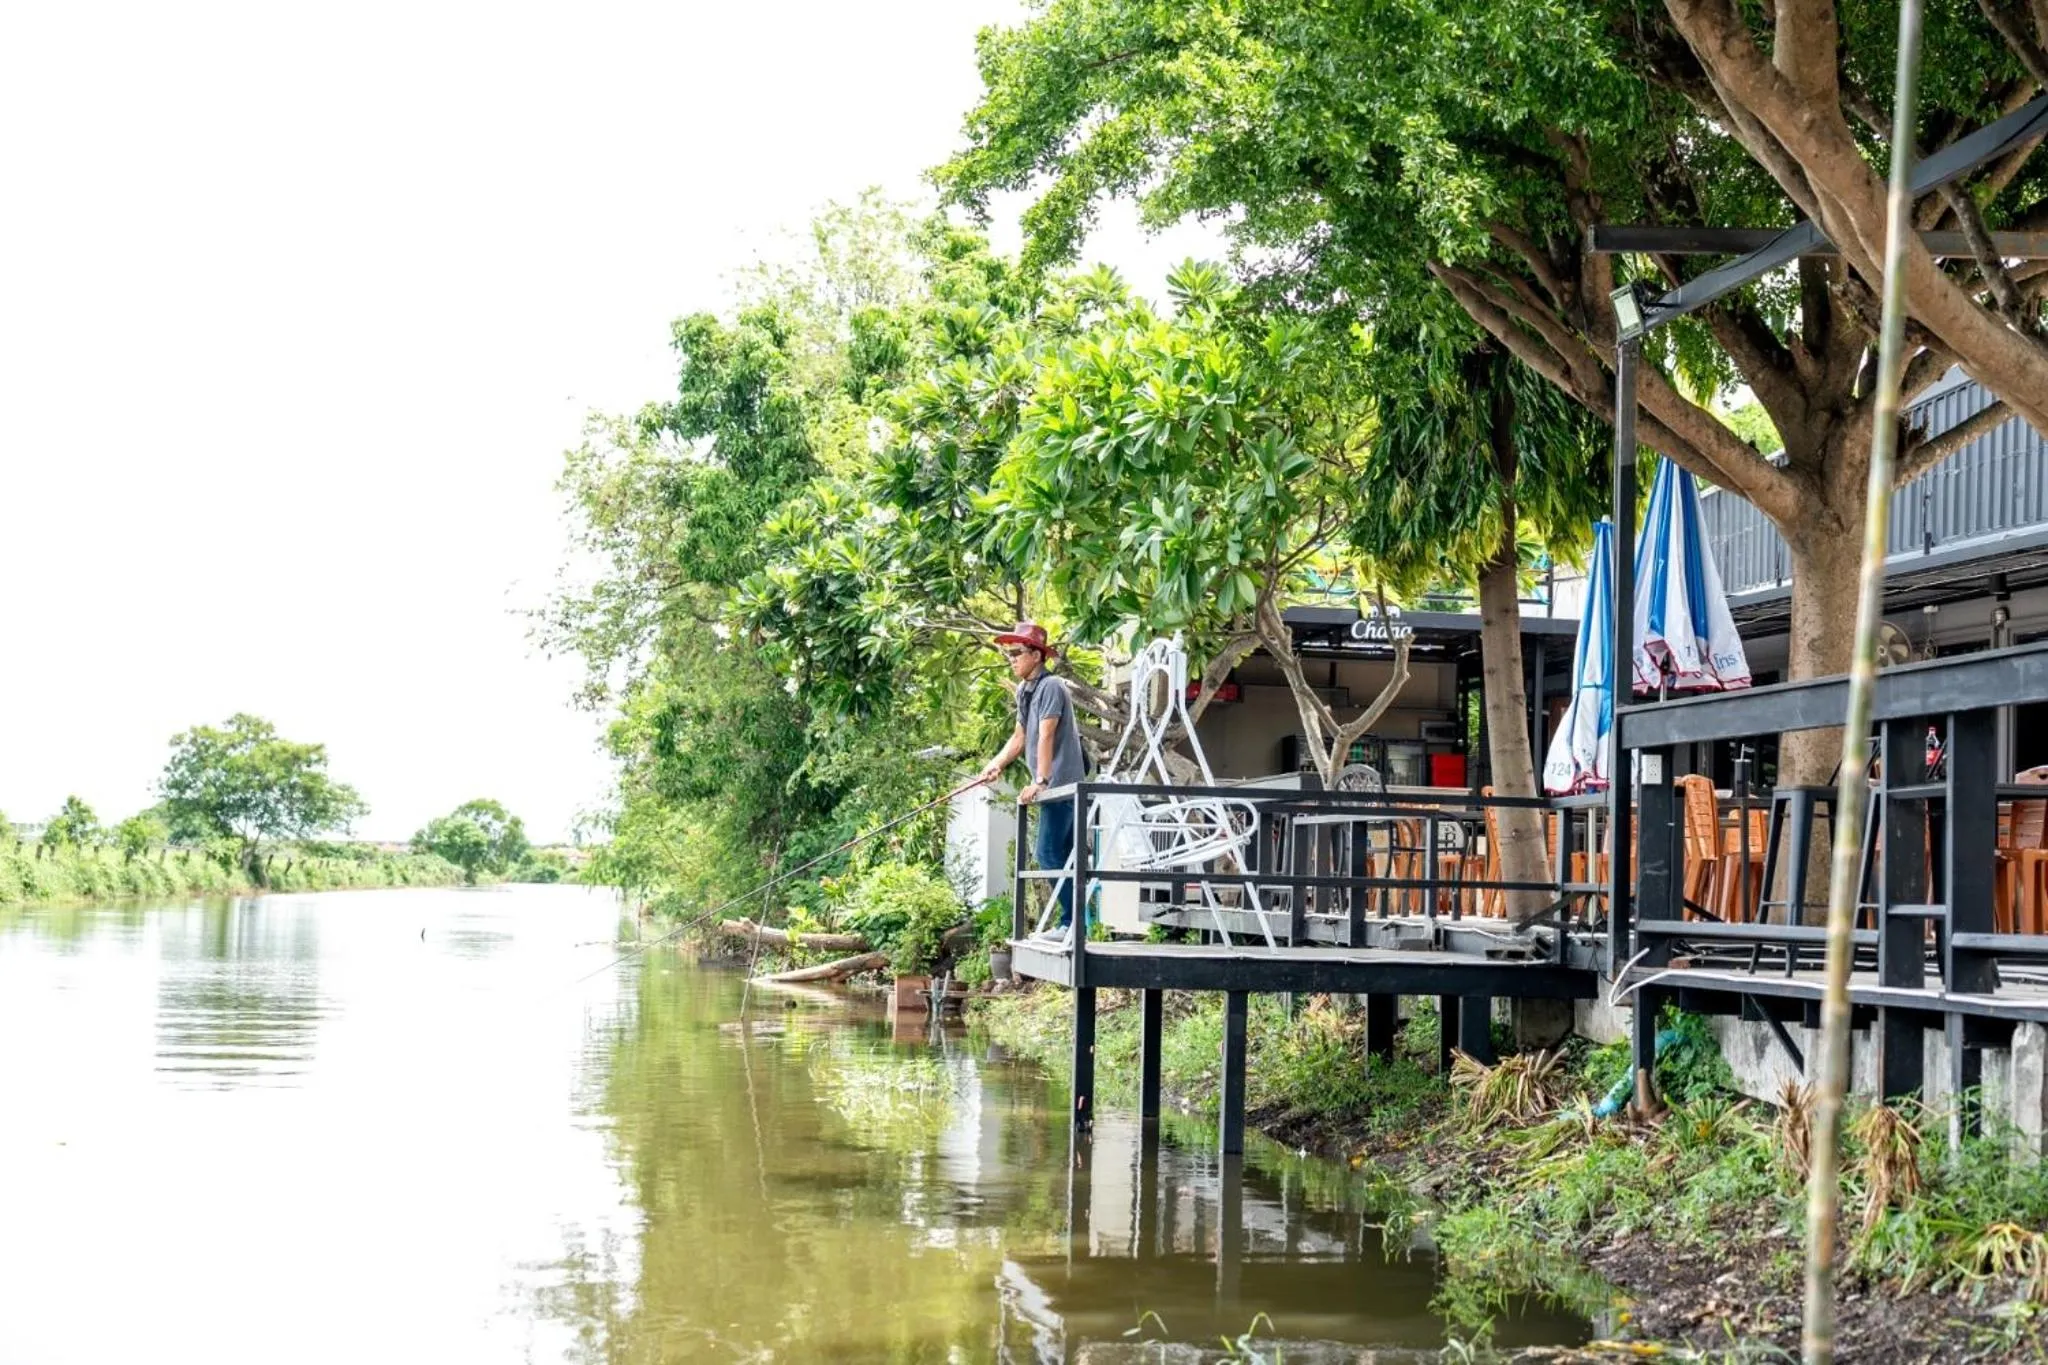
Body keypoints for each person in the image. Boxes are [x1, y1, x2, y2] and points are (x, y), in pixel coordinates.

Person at [976, 622, 1086, 928]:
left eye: (1017, 652)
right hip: (1051, 786)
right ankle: (1075, 924)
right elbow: (1020, 736)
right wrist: (995, 763)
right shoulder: (1026, 690)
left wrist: (1040, 780)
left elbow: (1047, 734)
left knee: (1048, 853)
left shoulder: (1052, 686)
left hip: (1062, 784)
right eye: (1008, 653)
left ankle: (1071, 924)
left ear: (1037, 655)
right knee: (1062, 857)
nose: (1011, 658)